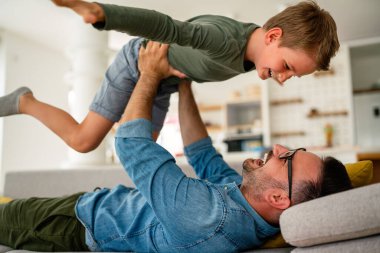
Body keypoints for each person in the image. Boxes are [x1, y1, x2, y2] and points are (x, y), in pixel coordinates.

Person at [0, 42, 352, 252]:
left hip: (77, 223)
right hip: (100, 206)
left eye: (286, 159)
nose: (277, 147)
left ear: (280, 199)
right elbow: (201, 153)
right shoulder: (247, 209)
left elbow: (131, 143)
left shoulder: (209, 218)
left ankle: (25, 101)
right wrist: (184, 85)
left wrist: (152, 73)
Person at [0, 0, 339, 152]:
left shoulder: (251, 53)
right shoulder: (225, 40)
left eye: (293, 76)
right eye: (288, 68)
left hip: (165, 82)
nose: (283, 78)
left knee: (141, 151)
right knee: (83, 142)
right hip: (140, 63)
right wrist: (103, 14)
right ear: (273, 36)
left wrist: (184, 79)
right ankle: (24, 101)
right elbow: (165, 26)